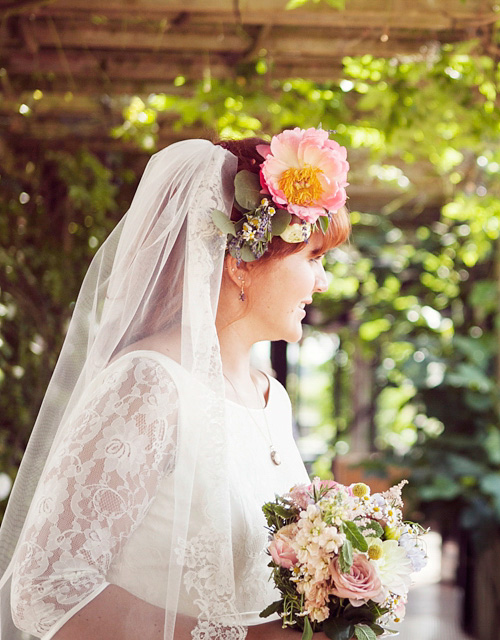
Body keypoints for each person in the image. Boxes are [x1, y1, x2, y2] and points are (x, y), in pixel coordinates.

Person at [0, 128, 350, 639]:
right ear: (241, 265)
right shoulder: (149, 385)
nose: (323, 282)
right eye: (313, 258)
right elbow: (45, 589)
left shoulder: (272, 399)